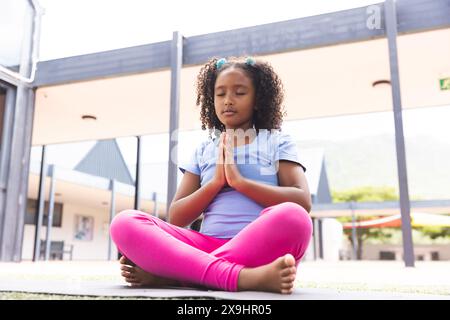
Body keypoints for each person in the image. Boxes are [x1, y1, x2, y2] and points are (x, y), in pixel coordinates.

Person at [110, 56, 313, 294]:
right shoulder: (204, 150)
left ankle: (179, 276)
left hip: (258, 248)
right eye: (220, 94)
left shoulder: (277, 141)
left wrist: (240, 182)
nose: (228, 101)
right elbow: (176, 216)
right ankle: (243, 278)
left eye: (239, 93)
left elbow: (302, 201)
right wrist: (216, 183)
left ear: (257, 99)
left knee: (295, 217)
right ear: (211, 99)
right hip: (205, 247)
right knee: (125, 222)